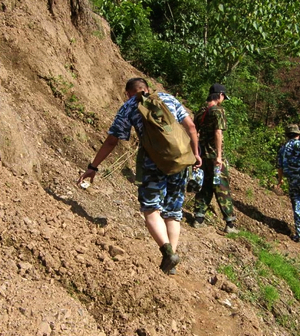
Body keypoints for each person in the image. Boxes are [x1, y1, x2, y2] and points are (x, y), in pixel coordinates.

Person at [77, 78, 201, 275]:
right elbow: (191, 127)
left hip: (153, 164)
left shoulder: (129, 107)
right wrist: (196, 155)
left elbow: (112, 141)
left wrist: (93, 167)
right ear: (147, 89)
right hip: (181, 161)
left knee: (151, 208)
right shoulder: (168, 98)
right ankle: (171, 264)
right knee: (173, 212)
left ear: (129, 93)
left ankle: (168, 252)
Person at [192, 83, 238, 233]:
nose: (223, 100)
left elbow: (194, 132)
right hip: (214, 156)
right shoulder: (218, 111)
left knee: (204, 185)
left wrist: (196, 153)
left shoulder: (200, 111)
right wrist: (219, 156)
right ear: (220, 95)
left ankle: (198, 218)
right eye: (224, 97)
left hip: (202, 155)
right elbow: (218, 133)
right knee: (221, 185)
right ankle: (230, 224)